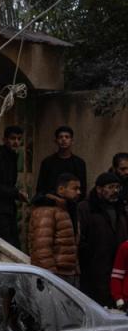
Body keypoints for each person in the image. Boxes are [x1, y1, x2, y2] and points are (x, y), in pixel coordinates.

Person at [77, 172, 128, 306]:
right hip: (93, 269)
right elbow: (80, 238)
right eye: (111, 187)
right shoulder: (86, 208)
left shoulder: (120, 208)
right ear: (99, 189)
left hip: (117, 268)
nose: (115, 191)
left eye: (117, 187)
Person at [29, 172, 81, 286]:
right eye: (75, 188)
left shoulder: (68, 209)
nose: (78, 192)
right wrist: (51, 277)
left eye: (79, 188)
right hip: (56, 275)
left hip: (69, 274)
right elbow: (42, 248)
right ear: (61, 189)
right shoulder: (46, 210)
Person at [0, 125, 28, 248]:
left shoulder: (12, 156)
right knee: (7, 245)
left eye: (18, 139)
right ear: (4, 139)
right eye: (13, 138)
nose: (16, 142)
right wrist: (16, 193)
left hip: (7, 208)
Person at [36, 125, 87, 200]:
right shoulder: (47, 162)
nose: (63, 139)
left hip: (72, 203)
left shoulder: (79, 163)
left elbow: (82, 189)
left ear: (72, 141)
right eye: (60, 137)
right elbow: (40, 188)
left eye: (67, 137)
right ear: (56, 141)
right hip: (51, 203)